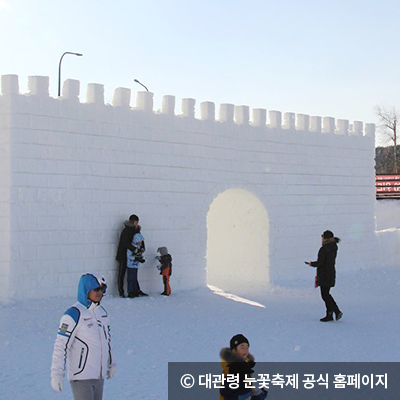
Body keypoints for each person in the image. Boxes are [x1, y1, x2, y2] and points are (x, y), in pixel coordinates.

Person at [51, 273, 116, 400]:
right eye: (96, 289)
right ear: (86, 290)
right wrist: (57, 375)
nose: (100, 293)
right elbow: (61, 346)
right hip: (81, 377)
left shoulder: (102, 313)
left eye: (102, 289)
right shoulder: (73, 314)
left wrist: (111, 364)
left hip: (99, 376)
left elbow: (108, 342)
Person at [306, 230, 343, 322]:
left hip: (324, 274)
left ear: (325, 238)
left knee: (325, 295)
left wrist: (311, 264)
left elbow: (320, 262)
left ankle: (334, 312)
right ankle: (332, 313)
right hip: (330, 273)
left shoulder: (324, 249)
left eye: (322, 236)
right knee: (326, 294)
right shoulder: (334, 247)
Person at [219, 334, 268, 400]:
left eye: (247, 348)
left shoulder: (244, 366)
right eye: (242, 347)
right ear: (234, 350)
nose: (245, 350)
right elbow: (228, 393)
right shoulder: (233, 368)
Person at [116, 214, 147, 297]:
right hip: (123, 255)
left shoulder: (137, 230)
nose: (136, 223)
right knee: (122, 273)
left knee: (133, 273)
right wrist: (134, 249)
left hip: (133, 256)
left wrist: (142, 249)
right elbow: (125, 243)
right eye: (135, 222)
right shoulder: (126, 231)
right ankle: (121, 291)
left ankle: (136, 290)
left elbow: (141, 240)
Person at [127, 232, 146, 298]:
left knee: (135, 278)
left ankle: (135, 290)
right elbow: (129, 256)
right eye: (139, 241)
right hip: (131, 265)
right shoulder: (132, 248)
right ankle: (130, 291)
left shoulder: (139, 248)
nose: (141, 242)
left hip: (136, 265)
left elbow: (140, 255)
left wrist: (141, 258)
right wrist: (136, 258)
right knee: (130, 279)